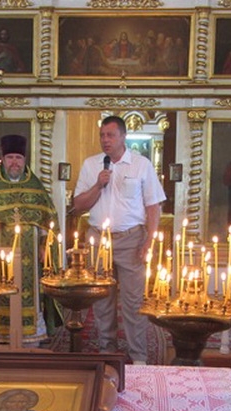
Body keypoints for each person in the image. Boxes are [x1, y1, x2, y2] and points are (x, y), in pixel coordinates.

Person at [72, 115, 166, 365]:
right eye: (102, 135)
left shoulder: (141, 165)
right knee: (102, 299)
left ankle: (138, 357)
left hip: (131, 239)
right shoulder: (91, 165)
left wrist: (149, 242)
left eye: (110, 135)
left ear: (123, 137)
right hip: (98, 240)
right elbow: (78, 204)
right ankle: (107, 351)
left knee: (134, 301)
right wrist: (97, 185)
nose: (105, 140)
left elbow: (153, 206)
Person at [0, 135, 58, 344]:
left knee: (31, 292)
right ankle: (1, 333)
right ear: (3, 159)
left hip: (31, 254)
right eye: (10, 158)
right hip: (0, 253)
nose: (15, 162)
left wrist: (45, 245)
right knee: (1, 290)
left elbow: (48, 219)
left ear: (25, 160)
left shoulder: (35, 187)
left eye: (18, 157)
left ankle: (31, 334)